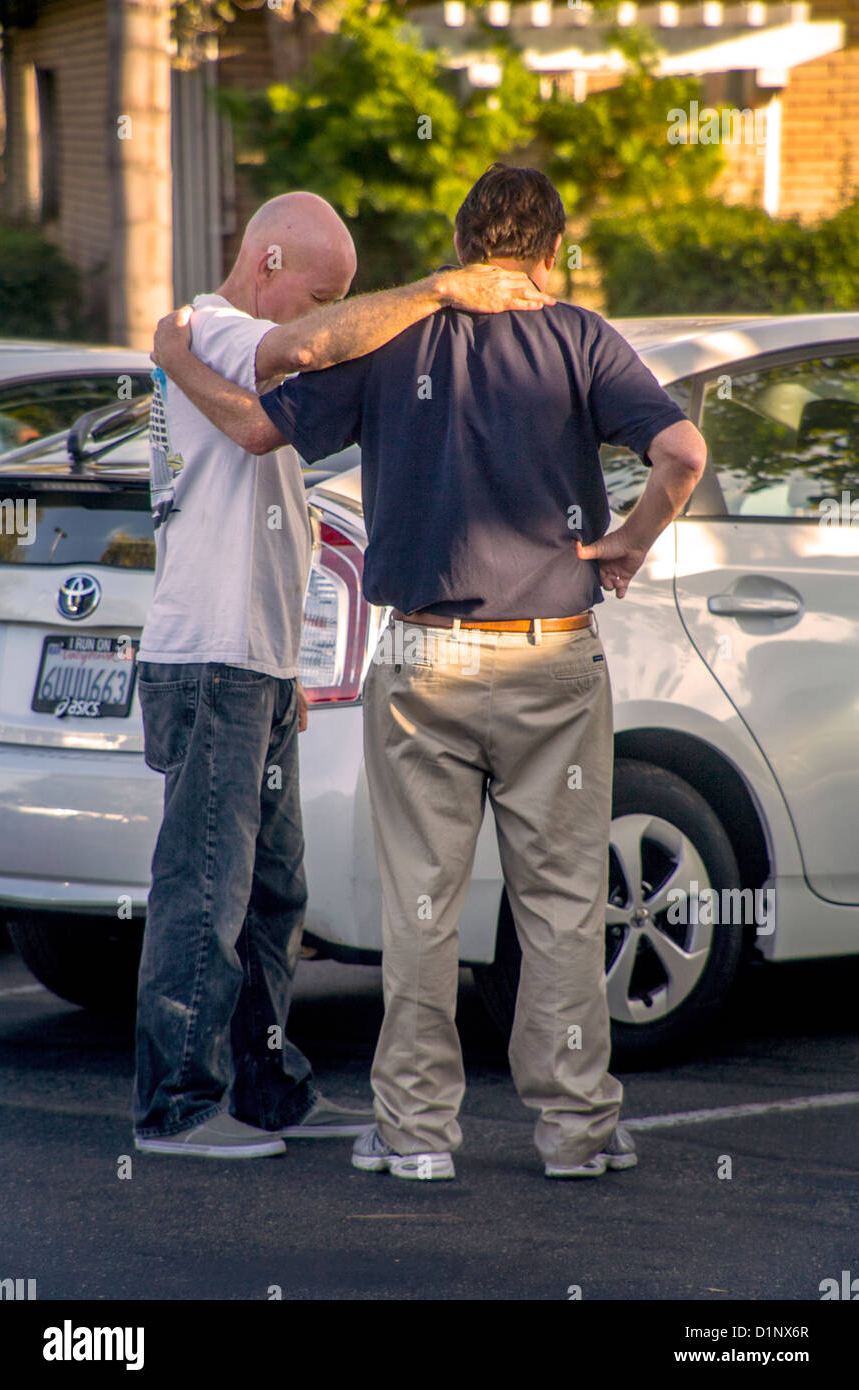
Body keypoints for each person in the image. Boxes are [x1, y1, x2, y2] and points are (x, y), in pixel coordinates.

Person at [151, 167, 706, 1179]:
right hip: (554, 656)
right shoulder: (582, 338)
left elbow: (260, 422)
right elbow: (680, 450)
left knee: (421, 906)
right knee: (564, 906)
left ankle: (413, 1135)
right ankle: (576, 1130)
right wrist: (625, 540)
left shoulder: (395, 338)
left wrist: (175, 354)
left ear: (461, 243)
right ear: (548, 256)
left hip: (421, 664)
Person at [135, 190, 553, 1158]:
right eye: (318, 294)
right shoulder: (218, 327)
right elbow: (303, 356)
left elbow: (263, 438)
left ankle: (269, 1088)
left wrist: (286, 676)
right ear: (270, 265)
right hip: (211, 659)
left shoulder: (196, 345)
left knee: (274, 894)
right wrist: (443, 291)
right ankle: (177, 1107)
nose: (324, 315)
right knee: (205, 885)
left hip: (254, 665)